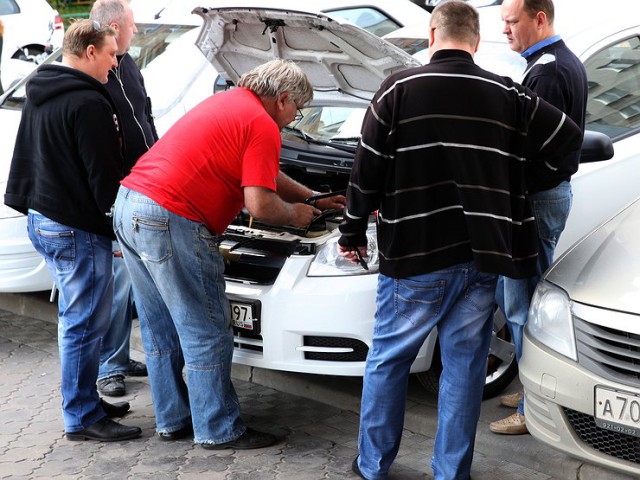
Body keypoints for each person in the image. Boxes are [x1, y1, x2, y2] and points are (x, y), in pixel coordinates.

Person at [337, 1, 583, 478]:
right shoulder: (505, 92)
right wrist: (517, 185)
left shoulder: (398, 89)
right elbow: (568, 138)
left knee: (389, 360)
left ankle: (373, 466)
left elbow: (364, 172)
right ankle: (452, 472)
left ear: (433, 35)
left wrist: (351, 230)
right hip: (480, 258)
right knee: (464, 367)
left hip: (414, 255)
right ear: (474, 41)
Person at [113, 58, 346, 447]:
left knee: (159, 327)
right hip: (171, 217)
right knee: (206, 329)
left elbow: (264, 174)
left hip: (129, 205)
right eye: (298, 110)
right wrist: (297, 215)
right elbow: (260, 206)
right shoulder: (261, 124)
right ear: (284, 99)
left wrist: (313, 198)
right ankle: (218, 429)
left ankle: (174, 420)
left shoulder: (228, 104)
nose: (295, 118)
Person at [4, 19, 141, 442]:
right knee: (83, 323)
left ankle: (84, 401)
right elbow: (104, 177)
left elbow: (26, 156)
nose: (115, 63)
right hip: (73, 227)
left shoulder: (41, 89)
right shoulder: (89, 102)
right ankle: (81, 416)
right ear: (89, 52)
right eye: (111, 54)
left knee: (76, 319)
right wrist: (116, 229)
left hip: (42, 218)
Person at [489, 0, 588, 436]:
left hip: (536, 198)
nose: (505, 30)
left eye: (512, 21)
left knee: (522, 303)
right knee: (524, 298)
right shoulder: (559, 62)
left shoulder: (548, 70)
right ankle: (534, 390)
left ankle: (533, 407)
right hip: (546, 196)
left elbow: (534, 146)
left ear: (539, 18)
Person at [90, 0, 156, 398]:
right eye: (133, 25)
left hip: (144, 182)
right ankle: (109, 367)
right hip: (116, 193)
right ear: (115, 26)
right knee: (117, 282)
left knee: (133, 282)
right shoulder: (99, 68)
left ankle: (119, 356)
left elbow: (144, 115)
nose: (137, 31)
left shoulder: (128, 62)